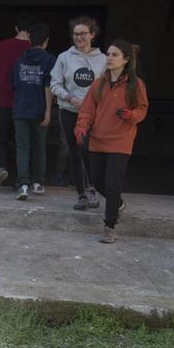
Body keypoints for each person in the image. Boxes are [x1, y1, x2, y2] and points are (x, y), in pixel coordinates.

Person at [75, 40, 148, 244]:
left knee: (112, 184)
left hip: (121, 141)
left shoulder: (136, 84)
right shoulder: (98, 84)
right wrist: (81, 128)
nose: (109, 58)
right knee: (97, 182)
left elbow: (143, 109)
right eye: (108, 54)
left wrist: (131, 115)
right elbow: (87, 110)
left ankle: (109, 226)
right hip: (98, 139)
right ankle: (119, 204)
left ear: (125, 60)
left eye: (114, 55)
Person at [50, 16, 106, 211]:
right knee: (74, 152)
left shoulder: (103, 60)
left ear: (92, 34)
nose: (79, 37)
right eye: (75, 34)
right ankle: (81, 194)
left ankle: (93, 189)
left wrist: (96, 105)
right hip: (69, 111)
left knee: (88, 151)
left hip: (93, 114)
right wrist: (70, 98)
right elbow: (54, 84)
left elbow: (108, 86)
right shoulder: (64, 58)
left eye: (83, 33)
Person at [0, 13, 33, 192]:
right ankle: (22, 178)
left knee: (1, 138)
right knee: (23, 141)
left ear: (15, 28)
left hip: (5, 100)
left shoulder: (3, 45)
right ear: (31, 30)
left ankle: (0, 168)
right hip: (26, 103)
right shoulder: (32, 47)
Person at [9, 23, 55, 200]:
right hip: (39, 110)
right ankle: (38, 182)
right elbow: (48, 86)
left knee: (22, 146)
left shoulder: (20, 59)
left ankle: (22, 184)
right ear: (46, 41)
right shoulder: (49, 60)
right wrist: (48, 111)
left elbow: (13, 83)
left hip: (20, 109)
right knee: (39, 146)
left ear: (30, 39)